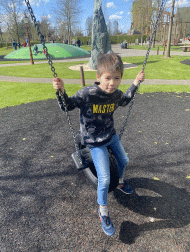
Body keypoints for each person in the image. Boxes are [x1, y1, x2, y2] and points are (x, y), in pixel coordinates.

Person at [53, 52, 145, 237]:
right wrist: (60, 91)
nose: (112, 83)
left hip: (110, 135)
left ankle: (119, 181)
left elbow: (125, 100)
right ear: (98, 76)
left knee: (124, 161)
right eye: (108, 78)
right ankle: (103, 212)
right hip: (94, 142)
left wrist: (135, 82)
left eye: (117, 78)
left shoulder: (116, 94)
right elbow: (67, 106)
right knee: (103, 179)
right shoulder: (87, 94)